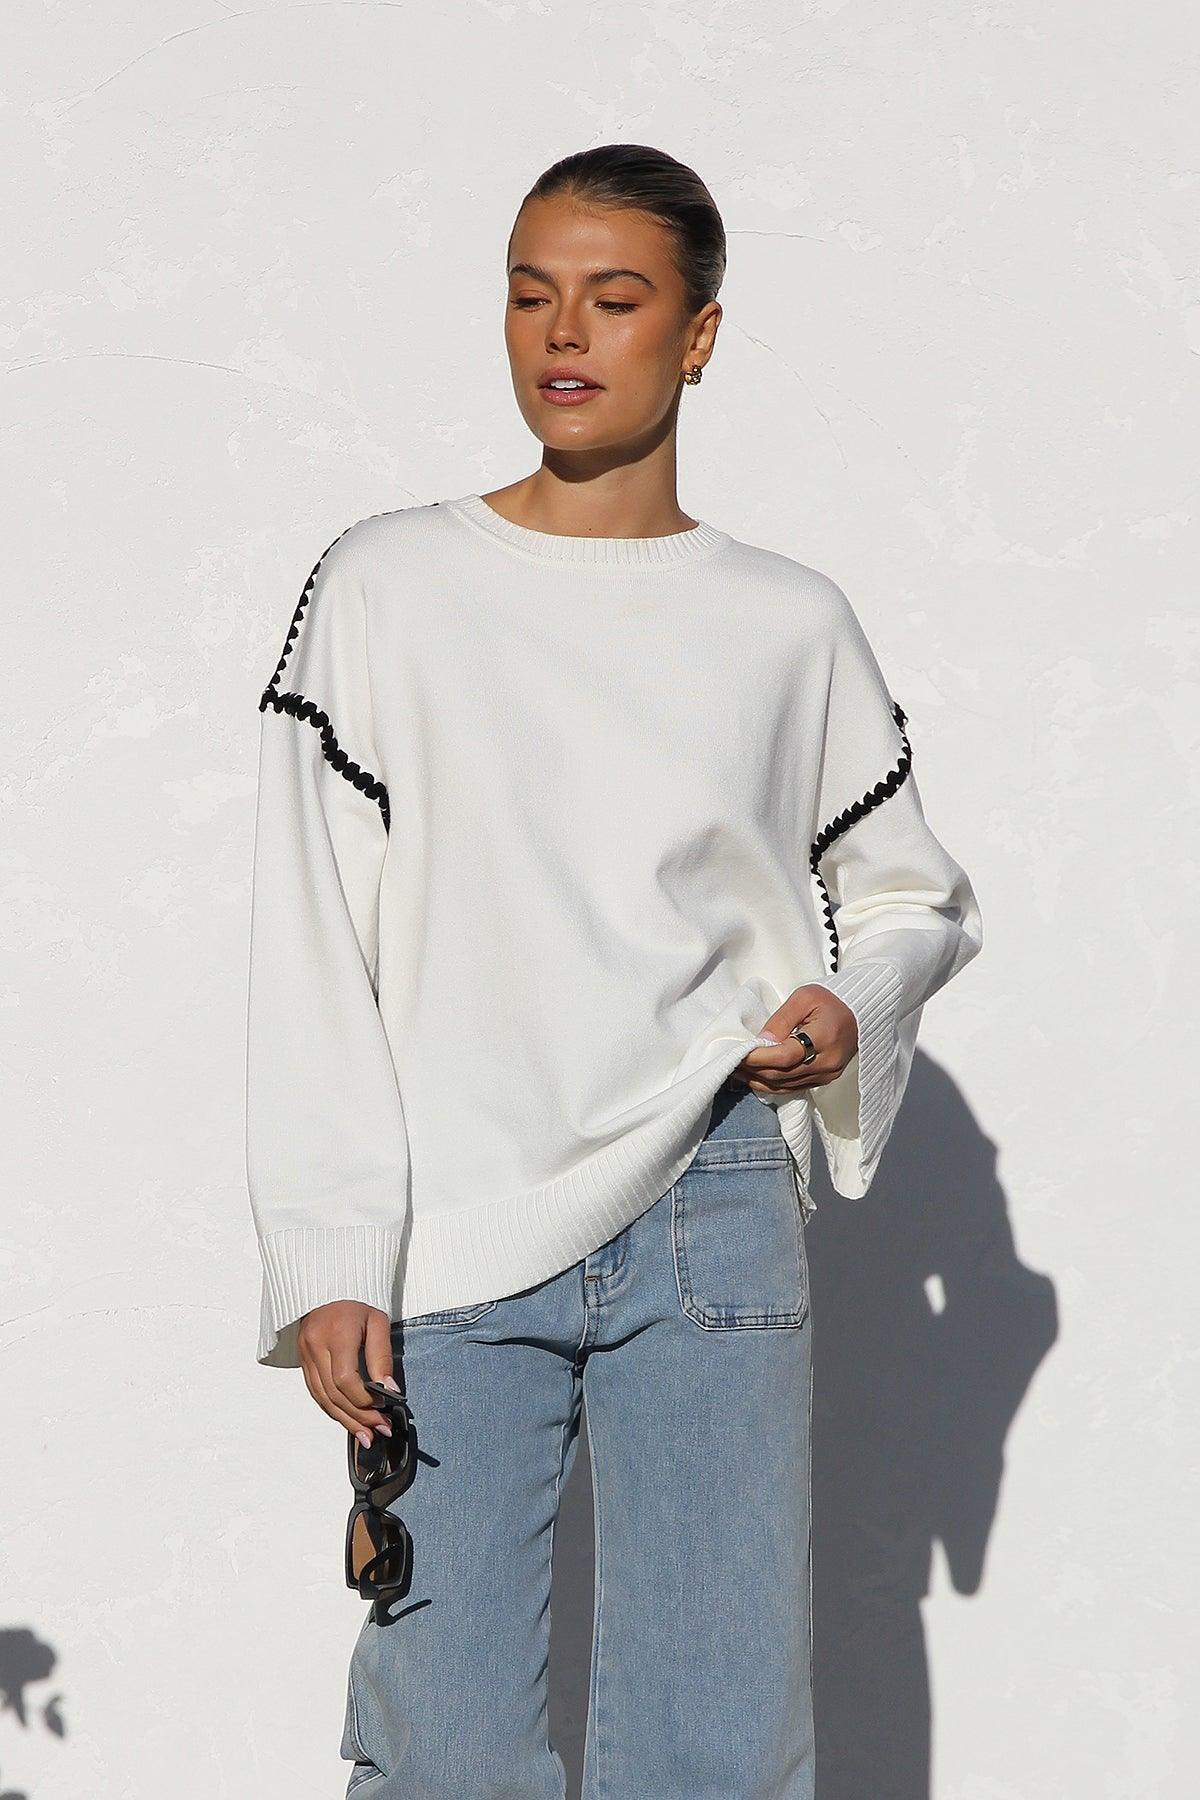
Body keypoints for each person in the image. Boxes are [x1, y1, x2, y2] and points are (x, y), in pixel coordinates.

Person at [244, 143, 983, 1799]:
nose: (562, 332)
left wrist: (843, 1010)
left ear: (699, 335)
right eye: (530, 294)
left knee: (714, 1756)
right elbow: (312, 938)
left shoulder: (787, 622)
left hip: (715, 1208)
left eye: (616, 297)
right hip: (451, 1221)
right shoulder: (384, 586)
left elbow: (913, 897)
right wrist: (330, 1252)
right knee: (443, 1756)